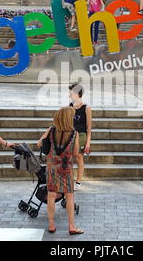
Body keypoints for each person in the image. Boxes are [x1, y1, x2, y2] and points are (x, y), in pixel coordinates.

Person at [37, 107, 84, 235]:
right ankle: (71, 226)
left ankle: (51, 224)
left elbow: (39, 144)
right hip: (66, 168)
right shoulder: (74, 134)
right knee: (69, 196)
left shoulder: (51, 130)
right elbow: (75, 154)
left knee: (51, 194)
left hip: (52, 167)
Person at [68, 83, 92, 190]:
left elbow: (88, 127)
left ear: (77, 94)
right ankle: (69, 179)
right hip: (70, 134)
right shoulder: (70, 106)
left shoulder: (86, 108)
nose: (70, 95)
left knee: (78, 157)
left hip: (81, 135)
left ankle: (78, 182)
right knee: (68, 157)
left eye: (71, 93)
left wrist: (88, 142)